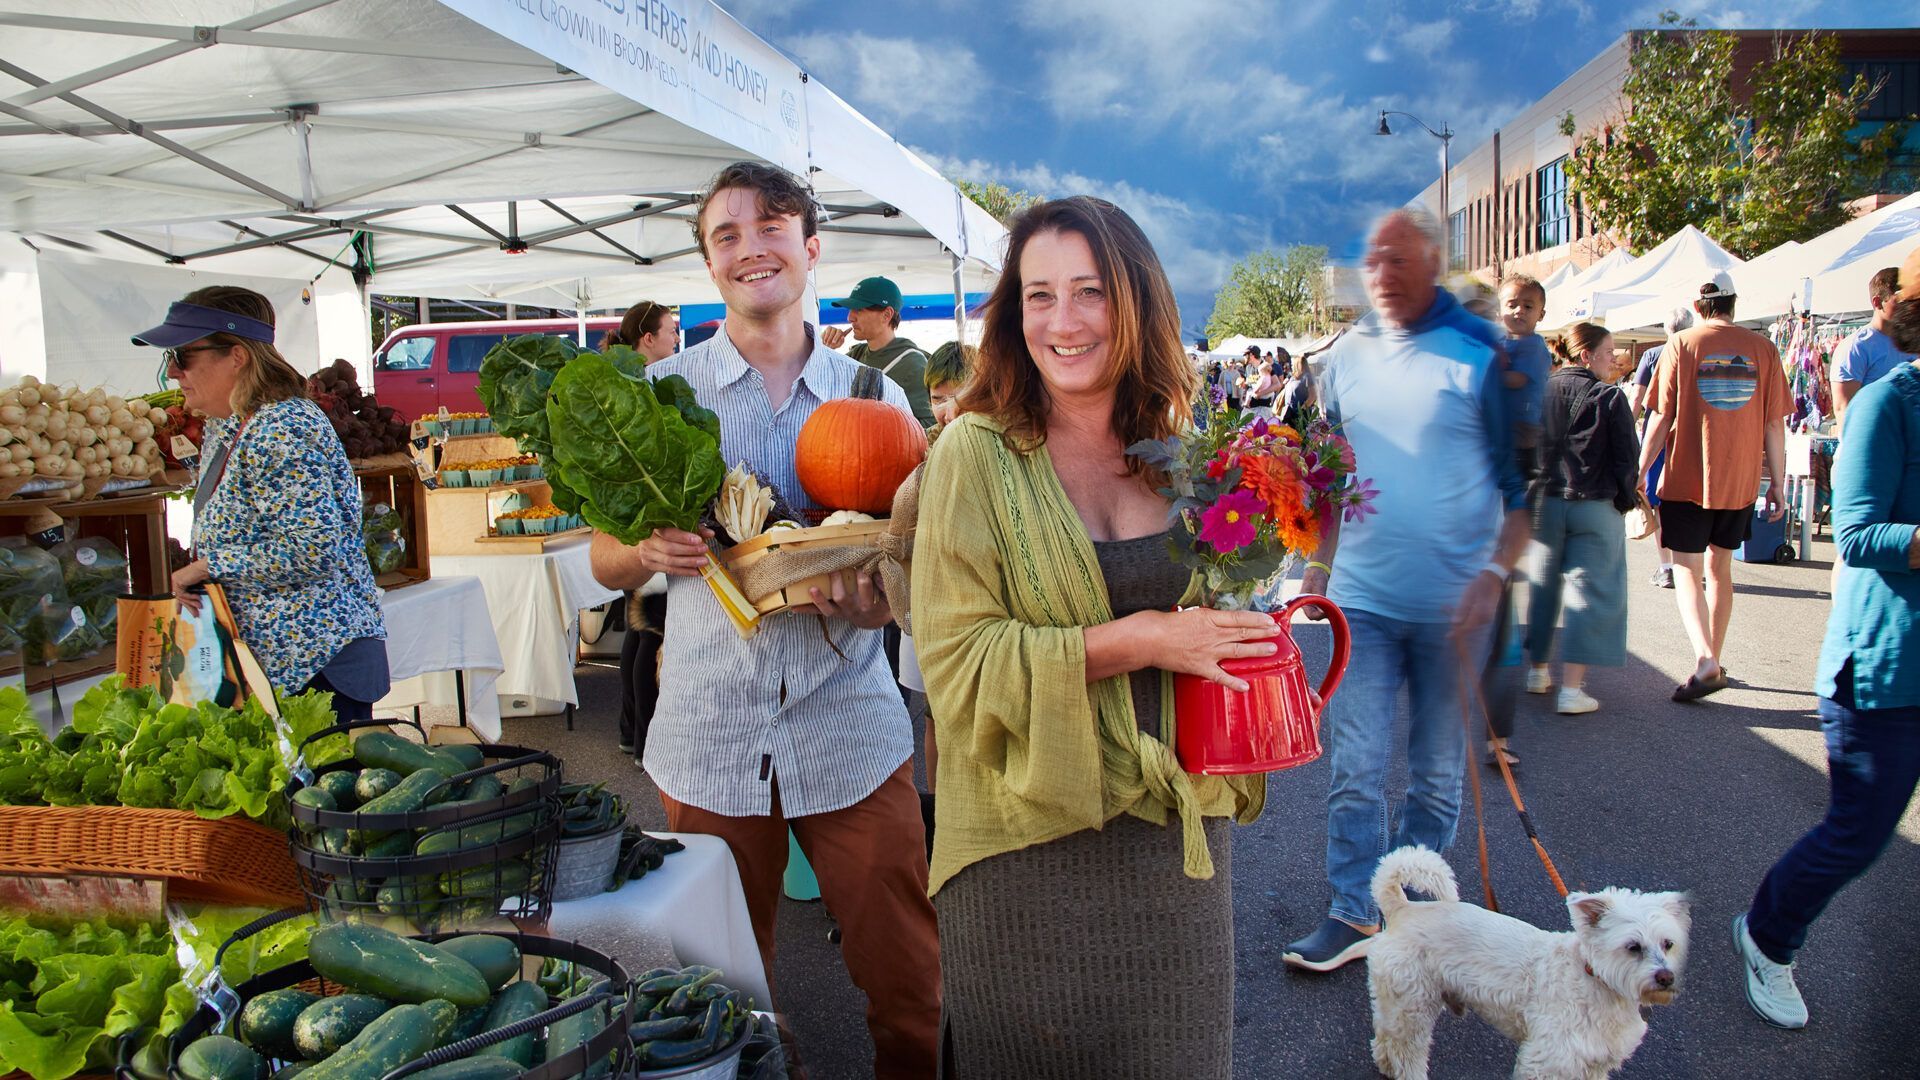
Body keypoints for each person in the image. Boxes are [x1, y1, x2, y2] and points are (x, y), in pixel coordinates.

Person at [587, 161, 939, 1078]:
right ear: (709, 264)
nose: (751, 249)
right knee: (724, 992)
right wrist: (644, 555)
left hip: (850, 729)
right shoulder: (666, 398)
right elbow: (600, 558)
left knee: (909, 983)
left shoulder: (879, 401)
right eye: (727, 236)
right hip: (711, 729)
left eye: (772, 227)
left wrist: (876, 606)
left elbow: (914, 565)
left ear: (810, 248)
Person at [914, 196, 1271, 1078]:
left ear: (1136, 302)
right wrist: (1143, 638)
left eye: (1089, 293)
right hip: (1020, 851)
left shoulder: (1186, 456)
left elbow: (1216, 624)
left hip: (1173, 849)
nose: (1062, 322)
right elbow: (956, 664)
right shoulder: (974, 455)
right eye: (1039, 296)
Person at [1283, 208, 1529, 973]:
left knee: (1434, 772)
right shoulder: (1343, 360)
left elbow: (1524, 494)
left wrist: (1492, 575)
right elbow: (1329, 479)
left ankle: (1413, 911)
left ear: (1433, 262)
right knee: (1355, 763)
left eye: (1398, 259)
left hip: (1451, 609)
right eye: (1372, 260)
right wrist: (1315, 571)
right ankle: (1354, 912)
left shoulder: (1483, 355)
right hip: (1362, 601)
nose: (1381, 273)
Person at [1733, 249, 1920, 1031]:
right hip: (1888, 664)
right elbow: (1857, 531)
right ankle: (1768, 936)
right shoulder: (1887, 402)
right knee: (1860, 834)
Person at [134, 286, 388, 721]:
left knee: (327, 790)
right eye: (169, 359)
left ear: (237, 356)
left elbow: (313, 548)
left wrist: (209, 566)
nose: (173, 372)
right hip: (272, 668)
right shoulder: (231, 424)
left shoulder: (282, 427)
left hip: (315, 669)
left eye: (183, 355)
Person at [1638, 271, 1790, 703]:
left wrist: (1639, 468)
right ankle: (1715, 661)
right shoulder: (1764, 349)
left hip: (1687, 478)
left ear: (1699, 306)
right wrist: (1776, 484)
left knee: (1686, 569)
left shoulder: (1680, 345)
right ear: (1734, 304)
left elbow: (1659, 419)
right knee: (1720, 569)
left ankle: (1706, 660)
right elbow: (1774, 424)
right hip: (1740, 481)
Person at [1525, 322, 1640, 715]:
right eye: (1609, 353)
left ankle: (1538, 671)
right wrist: (1626, 500)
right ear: (1587, 355)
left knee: (1543, 588)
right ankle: (1572, 690)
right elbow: (1627, 458)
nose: (1613, 361)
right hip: (1594, 504)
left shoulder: (1540, 392)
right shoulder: (1610, 396)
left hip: (1545, 503)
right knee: (1589, 594)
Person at [602, 300, 680, 764]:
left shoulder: (629, 382)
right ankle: (642, 738)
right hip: (649, 520)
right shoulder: (643, 385)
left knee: (640, 627)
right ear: (647, 339)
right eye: (670, 330)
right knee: (648, 632)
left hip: (636, 518)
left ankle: (631, 731)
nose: (675, 337)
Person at [1482, 274, 1553, 768]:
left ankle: (1496, 734)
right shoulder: (1503, 349)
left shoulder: (1530, 351)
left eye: (1527, 306)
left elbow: (1504, 383)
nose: (1518, 313)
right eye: (1511, 305)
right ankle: (1494, 735)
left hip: (1519, 460)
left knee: (1500, 616)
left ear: (1541, 313)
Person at [1630, 308, 1693, 589]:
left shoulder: (1653, 355)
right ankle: (1688, 565)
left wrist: (1626, 431)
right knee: (1687, 499)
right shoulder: (1697, 352)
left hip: (1656, 434)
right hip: (1689, 435)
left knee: (1657, 502)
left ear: (1666, 329)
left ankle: (1667, 565)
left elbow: (1637, 398)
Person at [822, 275, 937, 427]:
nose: (850, 317)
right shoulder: (855, 356)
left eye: (859, 310)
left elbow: (930, 424)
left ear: (887, 315)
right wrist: (825, 351)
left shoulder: (913, 364)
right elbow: (822, 391)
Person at [1829, 267, 1913, 420]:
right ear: (1877, 302)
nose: (1907, 307)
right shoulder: (1856, 347)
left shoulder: (1913, 342)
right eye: (1900, 301)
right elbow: (1844, 410)